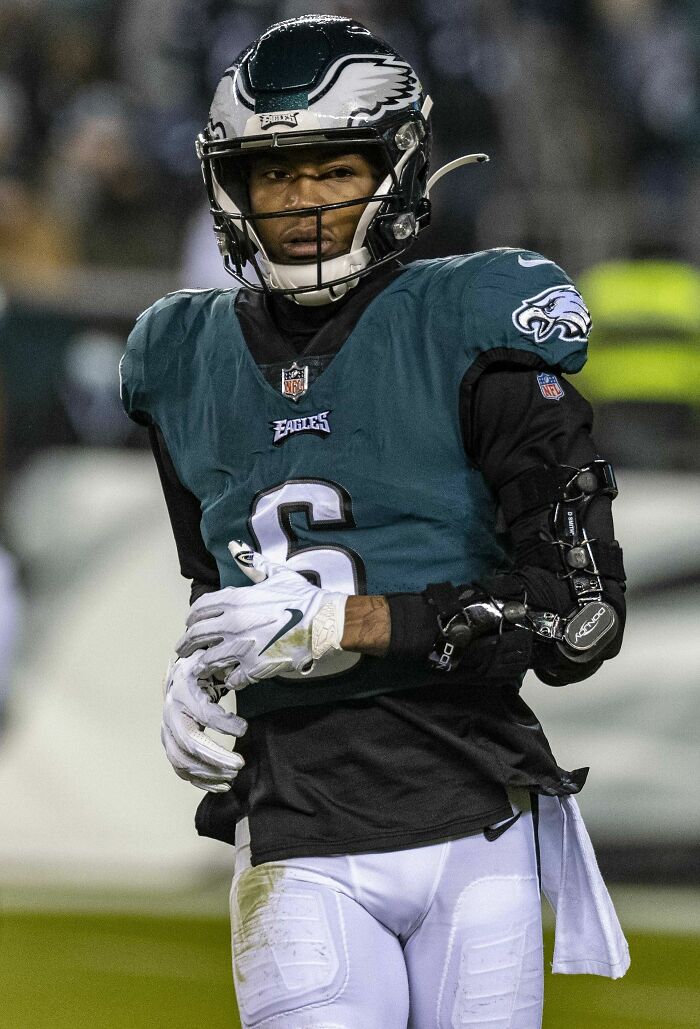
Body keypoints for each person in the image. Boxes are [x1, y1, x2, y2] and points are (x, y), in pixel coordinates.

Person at [120, 16, 630, 1029]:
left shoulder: (473, 323)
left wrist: (347, 625)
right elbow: (217, 579)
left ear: (395, 172)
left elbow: (580, 619)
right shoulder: (175, 356)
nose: (304, 202)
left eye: (334, 170)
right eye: (275, 174)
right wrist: (197, 667)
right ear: (232, 186)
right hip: (296, 819)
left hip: (469, 822)